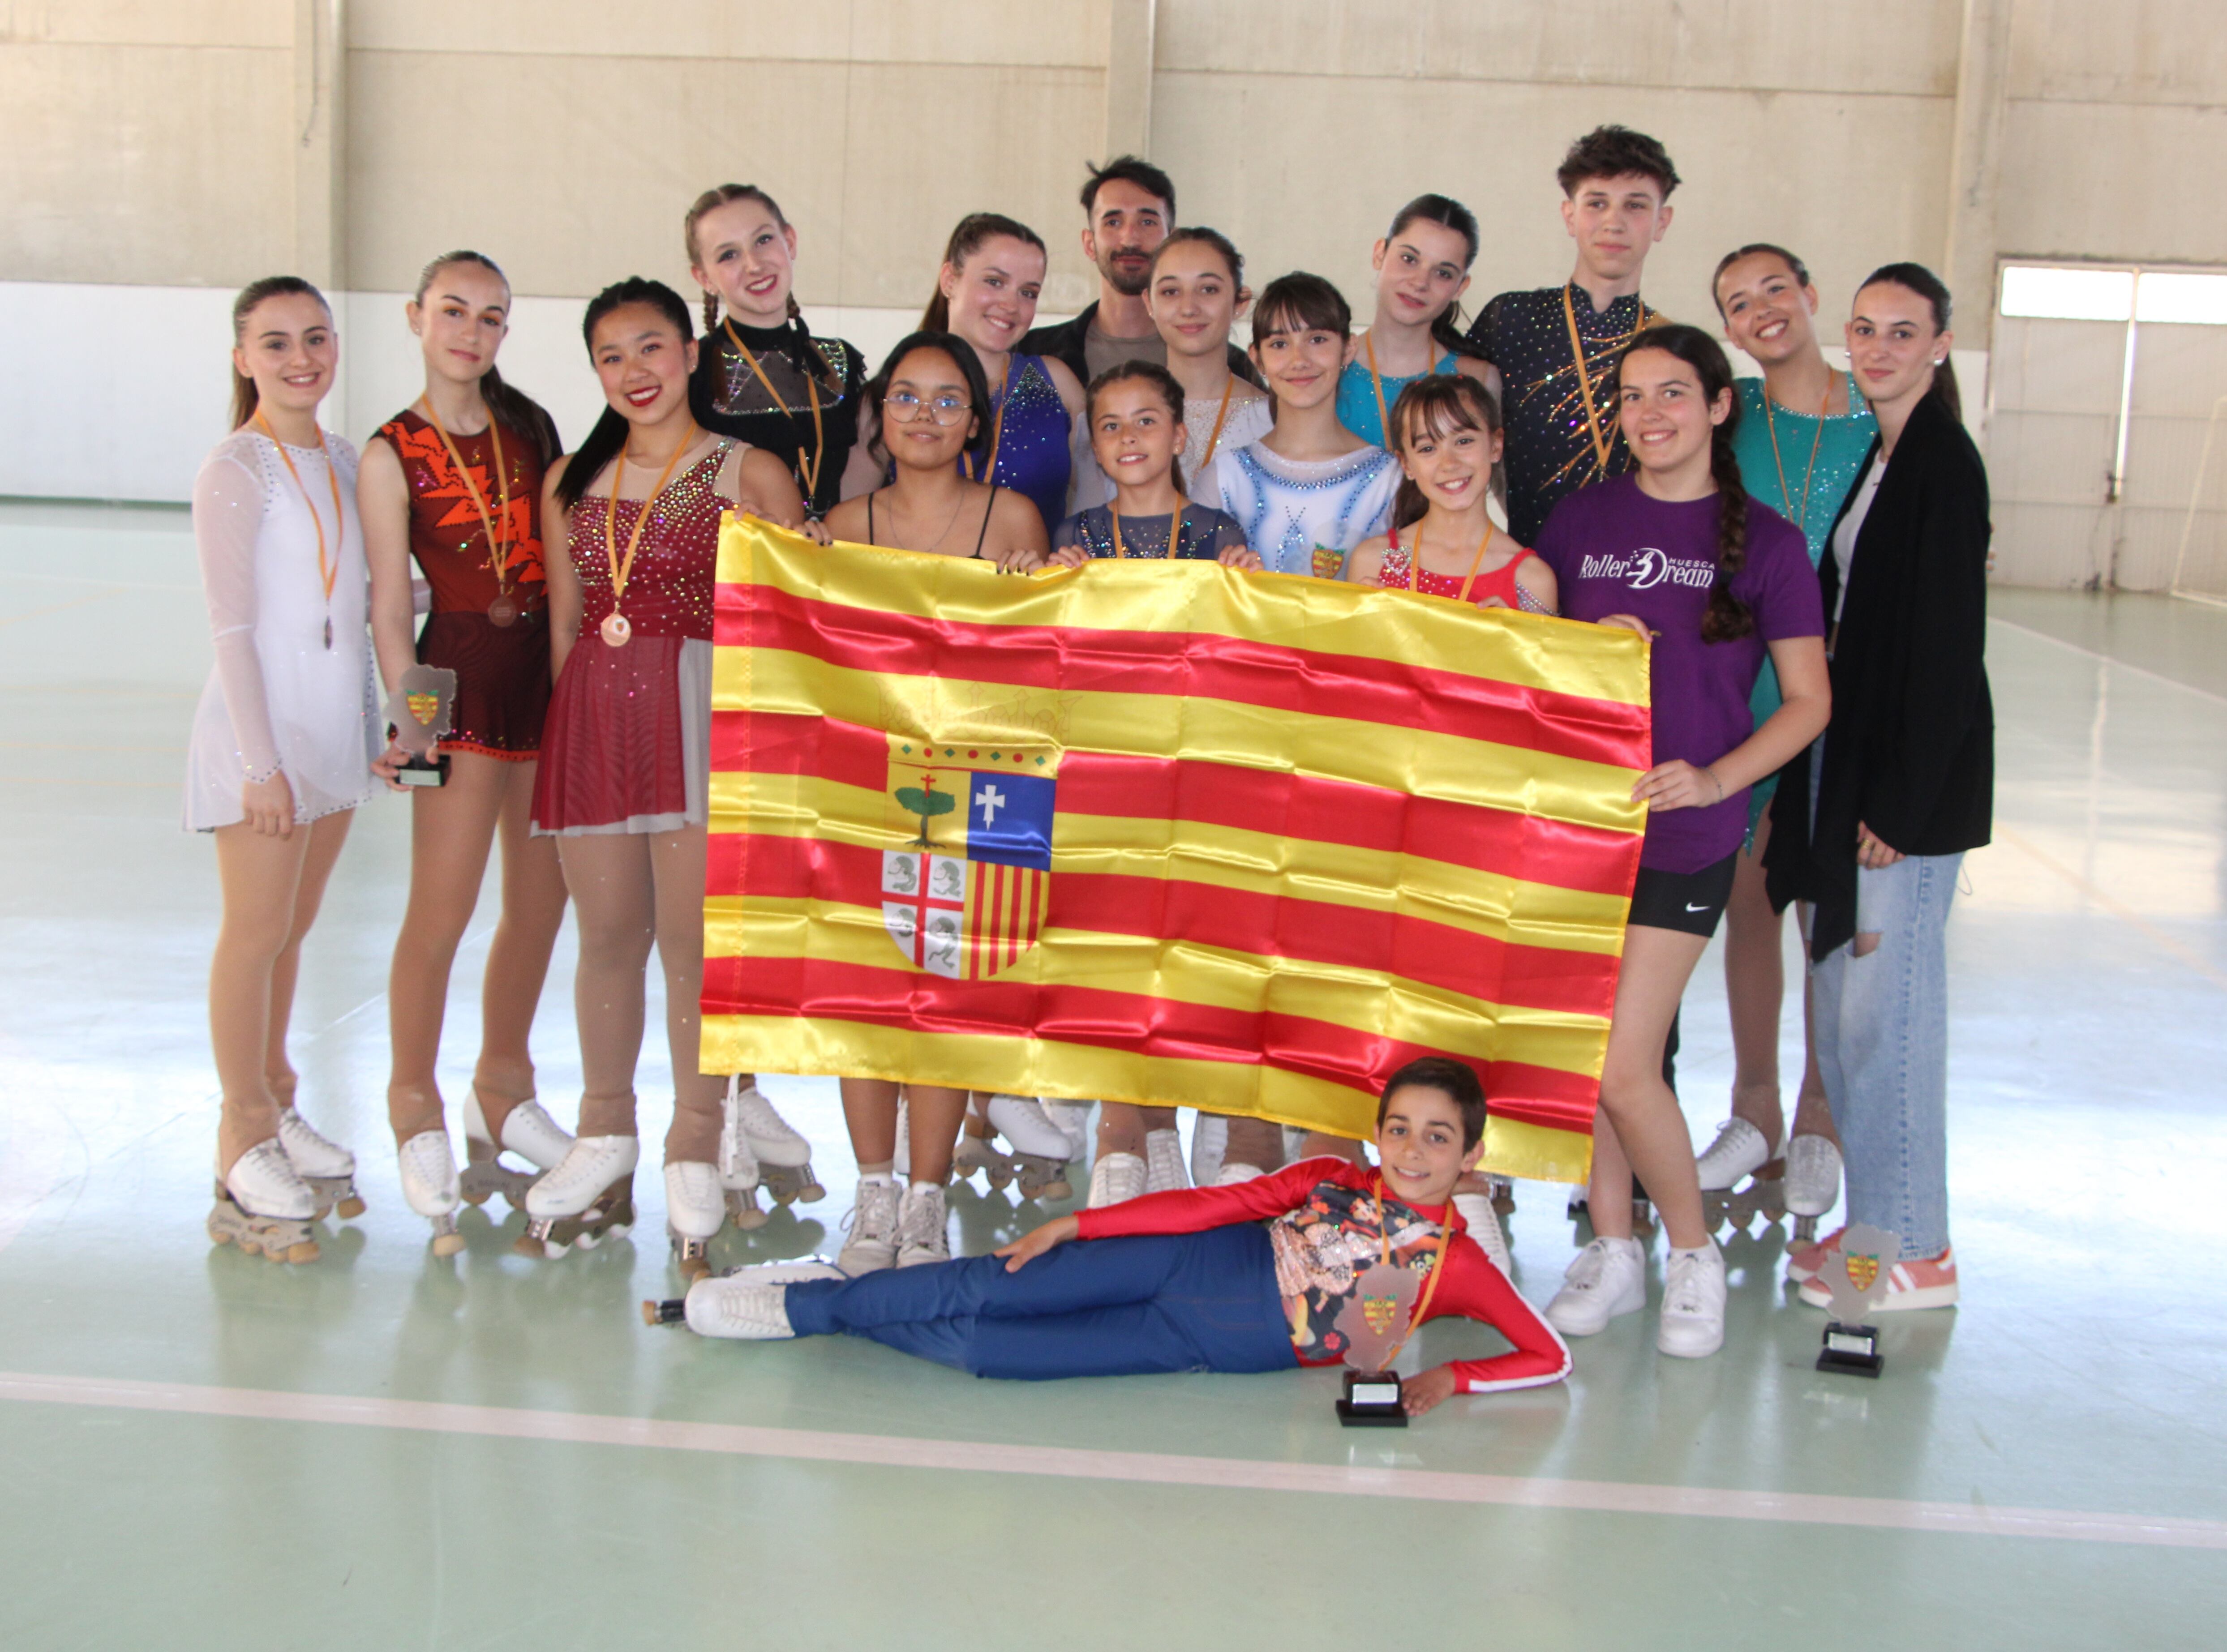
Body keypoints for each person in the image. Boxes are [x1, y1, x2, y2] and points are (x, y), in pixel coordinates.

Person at [668, 1058, 1571, 1417]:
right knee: (989, 1283)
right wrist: (1080, 1224)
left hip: (1189, 1343)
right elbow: (1201, 1212)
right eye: (1399, 1130)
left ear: (1472, 1155)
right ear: (1377, 1135)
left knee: (993, 1355)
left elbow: (1546, 1355)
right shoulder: (1329, 1181)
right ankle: (806, 1306)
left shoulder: (1456, 1268)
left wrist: (1449, 1377)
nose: (1412, 1152)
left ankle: (840, 1305)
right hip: (1181, 1260)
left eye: (1436, 1137)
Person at [1532, 325, 1829, 1358]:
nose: (1649, 415)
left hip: (1686, 832)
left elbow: (1806, 702)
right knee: (1592, 1056)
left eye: (1672, 394)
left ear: (1716, 408)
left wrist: (1715, 779)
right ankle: (1611, 1249)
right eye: (1630, 398)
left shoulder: (1772, 544)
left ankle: (1691, 1255)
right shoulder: (1579, 521)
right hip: (1579, 828)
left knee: (1622, 1062)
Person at [526, 278, 811, 1275]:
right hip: (597, 718)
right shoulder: (569, 479)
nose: (633, 373)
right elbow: (567, 624)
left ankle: (699, 1130)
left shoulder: (750, 471)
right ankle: (603, 1129)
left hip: (703, 716)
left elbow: (796, 623)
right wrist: (569, 734)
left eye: (650, 348)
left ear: (691, 353)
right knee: (607, 935)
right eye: (611, 356)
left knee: (691, 941)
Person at [1766, 265, 1992, 1313]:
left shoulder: (1945, 465)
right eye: (1865, 329)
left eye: (1905, 331)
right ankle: (1869, 1234)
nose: (1881, 346)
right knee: (1842, 1013)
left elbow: (1945, 654)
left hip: (1905, 801)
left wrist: (1898, 810)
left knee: (1888, 1020)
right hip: (1849, 776)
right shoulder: (1884, 458)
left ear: (1941, 343)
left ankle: (1920, 1248)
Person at [359, 250, 575, 1255]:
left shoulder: (529, 428)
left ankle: (504, 1083)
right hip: (451, 686)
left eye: (491, 317)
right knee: (439, 909)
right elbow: (385, 599)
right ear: (415, 317)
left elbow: (568, 552)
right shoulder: (387, 450)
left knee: (541, 903)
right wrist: (407, 715)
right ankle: (414, 1099)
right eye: (453, 312)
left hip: (542, 678)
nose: (471, 333)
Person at [822, 333, 1049, 1274]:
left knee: (951, 991)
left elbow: (1044, 659)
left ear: (975, 418)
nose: (923, 415)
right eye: (905, 397)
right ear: (878, 413)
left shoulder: (1011, 520)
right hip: (866, 782)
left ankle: (926, 1197)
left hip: (984, 784)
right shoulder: (836, 527)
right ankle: (871, 1192)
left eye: (945, 399)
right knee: (865, 992)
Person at [187, 276, 379, 1265]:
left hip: (332, 740)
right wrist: (258, 765)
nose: (299, 358)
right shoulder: (237, 468)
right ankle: (240, 1132)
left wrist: (381, 727)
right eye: (275, 343)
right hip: (261, 745)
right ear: (243, 358)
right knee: (253, 933)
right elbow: (233, 626)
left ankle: (278, 1095)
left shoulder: (346, 460)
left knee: (294, 931)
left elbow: (360, 606)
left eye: (313, 338)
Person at [1040, 360, 1264, 1207]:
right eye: (1111, 425)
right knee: (1117, 958)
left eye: (1146, 422)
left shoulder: (1217, 532)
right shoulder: (1078, 538)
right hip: (1104, 784)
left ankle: (1176, 1118)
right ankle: (1134, 1131)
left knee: (1184, 953)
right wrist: (1042, 586)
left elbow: (1248, 657)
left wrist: (1250, 592)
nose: (1128, 439)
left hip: (1196, 780)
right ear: (1093, 443)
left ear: (1179, 436)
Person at [1697, 243, 1880, 1235]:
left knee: (1826, 904)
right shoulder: (1730, 412)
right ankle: (1752, 1106)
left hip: (1842, 684)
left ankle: (1819, 1109)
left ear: (1810, 296)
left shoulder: (1882, 411)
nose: (1760, 310)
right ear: (1726, 328)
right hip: (1750, 680)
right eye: (1738, 302)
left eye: (1775, 289)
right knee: (1749, 893)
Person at [1464, 126, 1679, 545]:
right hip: (1522, 569)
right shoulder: (1511, 319)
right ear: (1569, 215)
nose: (1614, 223)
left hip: (1633, 574)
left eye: (1635, 205)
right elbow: (1446, 426)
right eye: (1597, 203)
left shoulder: (1672, 346)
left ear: (1661, 221)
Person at [685, 183, 880, 518]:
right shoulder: (692, 368)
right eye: (728, 255)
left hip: (827, 555)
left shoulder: (839, 361)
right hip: (737, 561)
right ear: (704, 278)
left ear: (789, 241)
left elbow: (863, 476)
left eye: (763, 240)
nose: (754, 264)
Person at [1068, 227, 1273, 516]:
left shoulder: (1270, 422)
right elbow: (1085, 535)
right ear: (1149, 303)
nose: (1188, 308)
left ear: (1240, 302)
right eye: (1170, 292)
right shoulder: (1107, 419)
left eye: (1208, 289)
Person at [1210, 273, 1399, 579]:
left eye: (1317, 340)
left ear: (1348, 349)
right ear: (1257, 357)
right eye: (1280, 343)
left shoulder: (1390, 483)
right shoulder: (1225, 479)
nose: (1299, 360)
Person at [914, 213, 1086, 540]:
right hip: (921, 588)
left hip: (1035, 588)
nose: (1010, 304)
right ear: (949, 280)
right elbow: (852, 510)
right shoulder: (899, 390)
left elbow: (1100, 499)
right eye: (994, 282)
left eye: (1028, 293)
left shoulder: (1057, 384)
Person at [1020, 156, 1255, 389]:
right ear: (1090, 244)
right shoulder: (1032, 354)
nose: (1130, 239)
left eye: (1147, 222)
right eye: (1113, 222)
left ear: (1172, 240)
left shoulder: (1234, 368)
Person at [1344, 374, 1556, 615]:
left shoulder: (1532, 578)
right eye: (1428, 448)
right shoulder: (1372, 561)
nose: (1449, 463)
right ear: (1407, 465)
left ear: (1496, 446)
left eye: (1464, 441)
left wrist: (1512, 640)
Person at [1335, 195, 1499, 450]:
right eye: (1409, 259)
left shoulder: (1477, 379)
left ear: (1460, 287)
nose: (1420, 282)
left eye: (1443, 273)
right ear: (1380, 253)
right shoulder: (1328, 368)